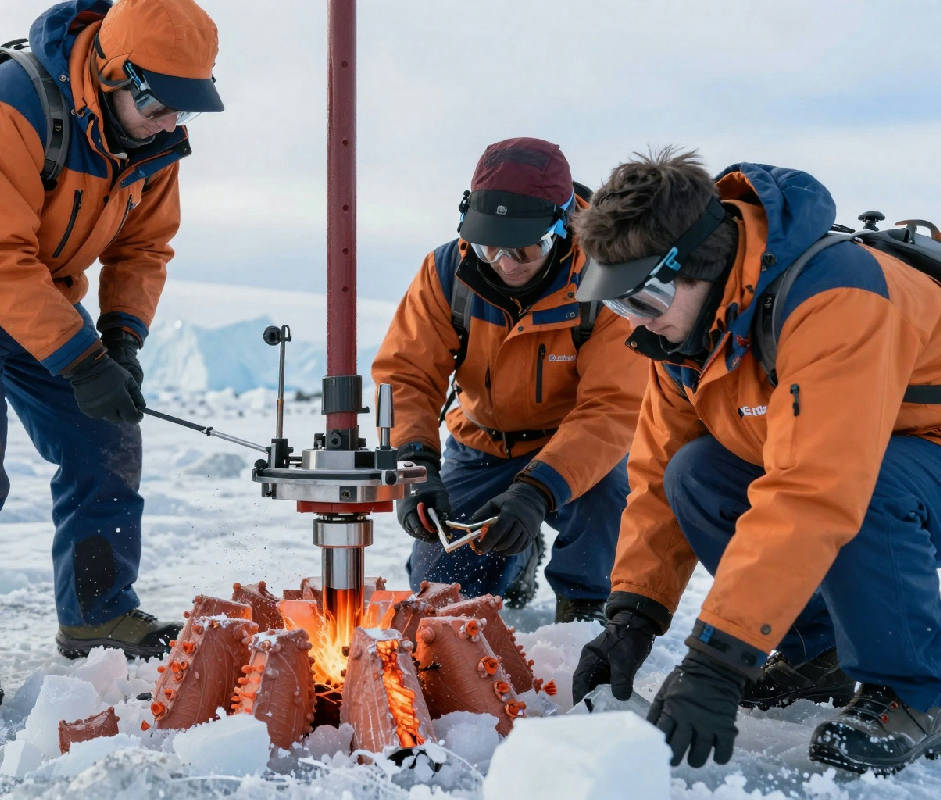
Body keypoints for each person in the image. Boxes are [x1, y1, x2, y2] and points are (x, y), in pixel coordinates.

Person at [0, 0, 224, 715]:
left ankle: (97, 613)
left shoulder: (155, 141)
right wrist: (82, 361)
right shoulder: (4, 107)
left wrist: (120, 340)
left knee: (105, 438)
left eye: (185, 107)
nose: (170, 123)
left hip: (40, 288)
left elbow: (143, 247)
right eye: (158, 104)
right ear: (114, 75)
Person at [570, 148, 941, 774]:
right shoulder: (686, 336)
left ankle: (915, 690)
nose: (637, 324)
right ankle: (814, 652)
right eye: (617, 306)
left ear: (700, 264)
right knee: (696, 473)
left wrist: (719, 660)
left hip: (916, 456)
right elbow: (657, 480)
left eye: (644, 300)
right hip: (863, 458)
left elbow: (816, 487)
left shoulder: (837, 296)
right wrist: (633, 614)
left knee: (868, 483)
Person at [371, 138, 648, 620]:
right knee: (443, 597)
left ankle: (584, 612)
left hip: (576, 447)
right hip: (481, 444)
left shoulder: (606, 281)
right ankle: (516, 560)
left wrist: (536, 492)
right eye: (490, 247)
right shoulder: (446, 272)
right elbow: (405, 375)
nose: (506, 263)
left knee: (607, 505)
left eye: (525, 248)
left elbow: (612, 407)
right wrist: (415, 468)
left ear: (563, 228)